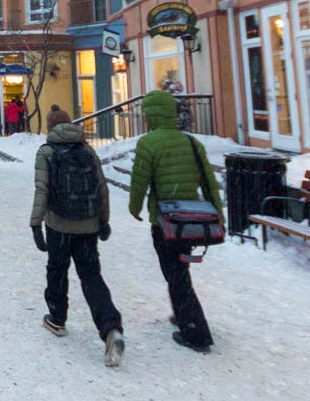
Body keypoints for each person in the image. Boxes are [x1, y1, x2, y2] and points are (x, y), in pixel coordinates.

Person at [129, 89, 224, 353]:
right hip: (193, 218)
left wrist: (134, 207)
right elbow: (209, 183)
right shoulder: (192, 143)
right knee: (178, 269)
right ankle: (183, 313)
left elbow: (140, 182)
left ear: (152, 115)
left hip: (167, 220)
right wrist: (219, 215)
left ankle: (195, 330)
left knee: (174, 272)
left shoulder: (149, 144)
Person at [31, 106, 124, 368]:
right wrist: (103, 221)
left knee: (57, 269)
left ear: (50, 127)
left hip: (59, 223)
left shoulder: (47, 152)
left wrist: (35, 224)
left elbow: (42, 190)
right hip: (88, 224)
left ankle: (57, 319)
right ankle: (110, 328)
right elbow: (102, 187)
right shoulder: (87, 150)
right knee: (91, 275)